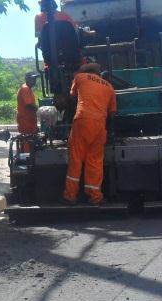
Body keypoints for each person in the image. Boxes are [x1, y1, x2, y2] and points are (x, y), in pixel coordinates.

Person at [62, 62, 116, 206]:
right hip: (100, 125)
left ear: (86, 70)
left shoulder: (80, 77)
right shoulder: (109, 87)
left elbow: (72, 97)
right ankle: (95, 197)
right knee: (95, 161)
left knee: (76, 158)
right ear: (99, 74)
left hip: (83, 120)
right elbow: (112, 114)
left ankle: (70, 196)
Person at [17, 71, 40, 149]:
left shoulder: (28, 89)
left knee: (31, 139)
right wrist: (40, 111)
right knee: (27, 140)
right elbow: (29, 105)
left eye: (35, 79)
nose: (34, 81)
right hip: (25, 120)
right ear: (27, 79)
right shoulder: (25, 89)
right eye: (32, 79)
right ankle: (27, 158)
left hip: (29, 121)